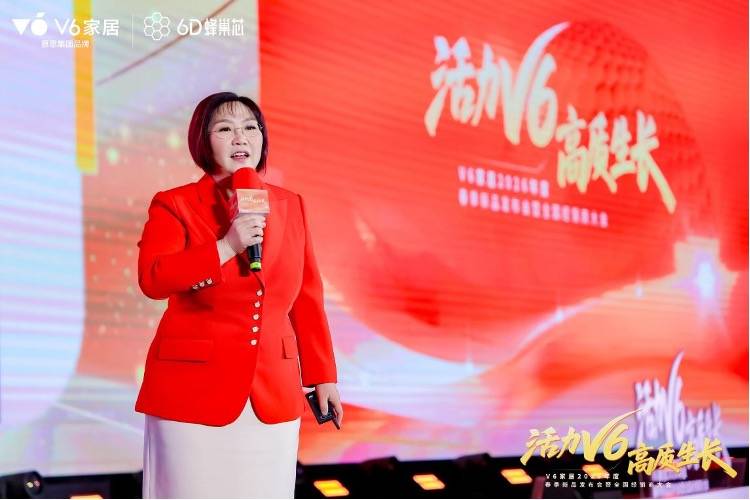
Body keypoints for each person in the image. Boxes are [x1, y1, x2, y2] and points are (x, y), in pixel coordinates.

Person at [134, 92, 342, 499]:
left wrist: (323, 375)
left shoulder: (290, 205)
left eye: (250, 128)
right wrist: (226, 246)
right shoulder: (174, 203)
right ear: (202, 140)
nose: (240, 138)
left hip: (274, 388)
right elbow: (153, 279)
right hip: (191, 391)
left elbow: (306, 298)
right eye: (225, 129)